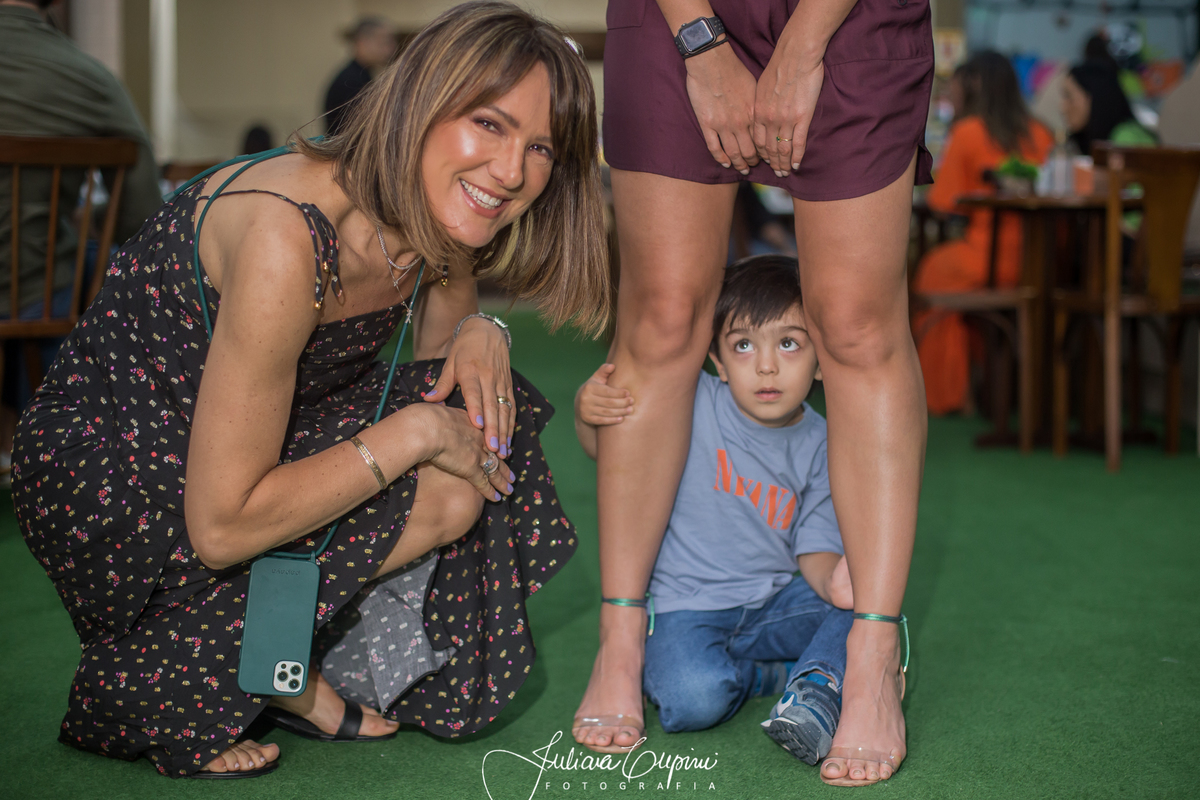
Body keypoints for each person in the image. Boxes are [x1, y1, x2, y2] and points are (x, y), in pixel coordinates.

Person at [13, 1, 608, 779]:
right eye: (488, 125)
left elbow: (440, 354)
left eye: (540, 147)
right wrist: (412, 434)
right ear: (420, 102)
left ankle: (275, 654)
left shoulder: (434, 205)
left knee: (466, 467)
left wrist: (481, 329)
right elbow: (220, 527)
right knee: (431, 443)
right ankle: (193, 672)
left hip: (247, 438)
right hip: (115, 469)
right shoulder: (286, 238)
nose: (511, 171)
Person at [575, 0, 934, 786]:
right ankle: (622, 637)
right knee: (663, 315)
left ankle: (871, 656)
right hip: (676, 14)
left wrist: (804, 44)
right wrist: (701, 42)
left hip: (849, 15)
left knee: (855, 324)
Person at [577, 256, 859, 765]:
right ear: (717, 361)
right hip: (685, 606)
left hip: (774, 602)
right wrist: (588, 413)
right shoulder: (691, 401)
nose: (766, 366)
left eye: (789, 344)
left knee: (866, 605)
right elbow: (611, 455)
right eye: (744, 345)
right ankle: (766, 676)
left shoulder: (824, 442)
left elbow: (814, 548)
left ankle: (814, 686)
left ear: (821, 360)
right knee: (694, 700)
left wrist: (836, 584)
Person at [0, 0, 162, 462]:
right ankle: (66, 438)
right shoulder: (88, 77)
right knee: (97, 266)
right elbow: (141, 217)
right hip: (35, 300)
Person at [912, 51, 1054, 415]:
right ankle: (996, 386)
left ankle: (949, 395)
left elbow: (944, 203)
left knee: (931, 273)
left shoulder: (969, 132)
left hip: (986, 258)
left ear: (972, 84)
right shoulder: (1041, 133)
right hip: (1040, 263)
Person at [323, 16, 398, 136]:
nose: (392, 48)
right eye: (384, 42)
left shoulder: (361, 75)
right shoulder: (350, 81)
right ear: (362, 43)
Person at [1063, 59, 1157, 154]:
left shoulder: (1126, 139)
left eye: (1068, 96)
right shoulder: (1086, 142)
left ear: (1096, 97)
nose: (1063, 107)